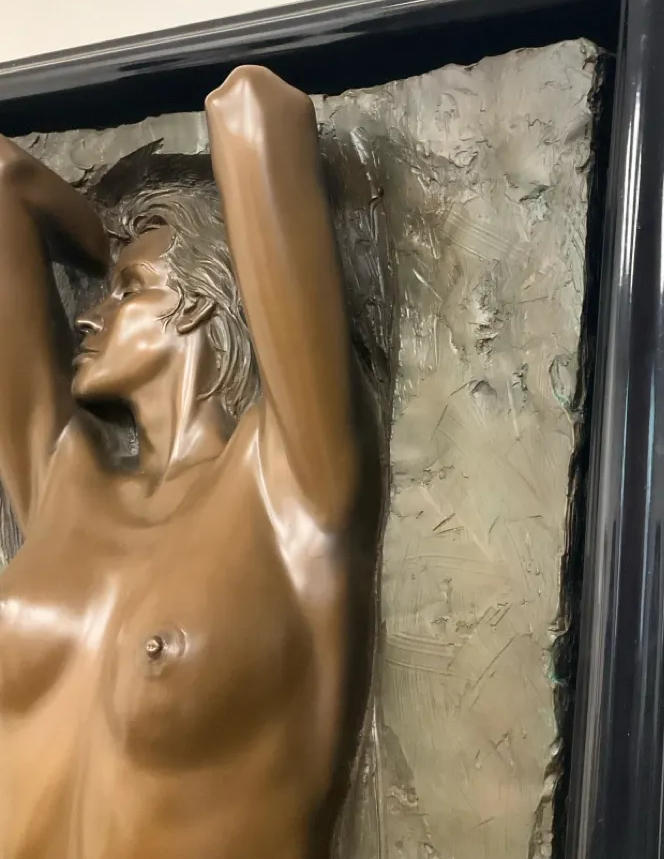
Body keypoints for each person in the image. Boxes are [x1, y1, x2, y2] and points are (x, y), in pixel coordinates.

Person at [0, 65, 381, 856]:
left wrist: (125, 239)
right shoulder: (64, 482)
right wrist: (105, 237)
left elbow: (254, 112)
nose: (91, 316)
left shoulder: (290, 486)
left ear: (202, 300)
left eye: (126, 291)